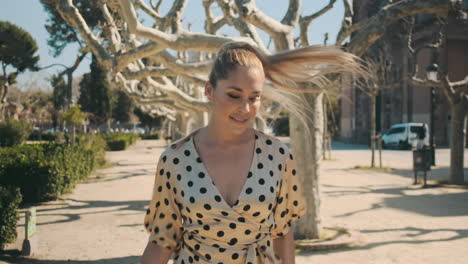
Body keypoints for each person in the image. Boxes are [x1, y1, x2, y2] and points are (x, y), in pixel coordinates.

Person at [141, 42, 366, 264]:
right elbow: (163, 240)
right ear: (210, 90)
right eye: (234, 95)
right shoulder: (175, 159)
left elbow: (282, 233)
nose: (245, 108)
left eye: (254, 97)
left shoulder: (277, 155)